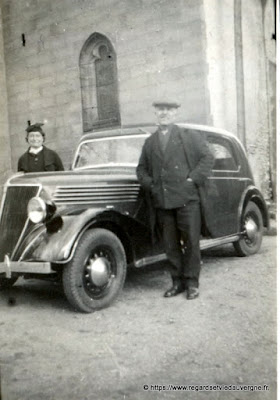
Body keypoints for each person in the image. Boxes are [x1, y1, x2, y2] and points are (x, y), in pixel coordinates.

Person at [136, 100, 214, 300]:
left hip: (187, 200)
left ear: (176, 114)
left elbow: (207, 158)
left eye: (169, 110)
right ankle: (177, 282)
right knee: (170, 245)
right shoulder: (150, 142)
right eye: (160, 110)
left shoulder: (189, 136)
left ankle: (192, 283)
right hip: (163, 201)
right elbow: (141, 169)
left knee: (191, 243)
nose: (164, 114)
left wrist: (192, 179)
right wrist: (151, 185)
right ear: (155, 114)